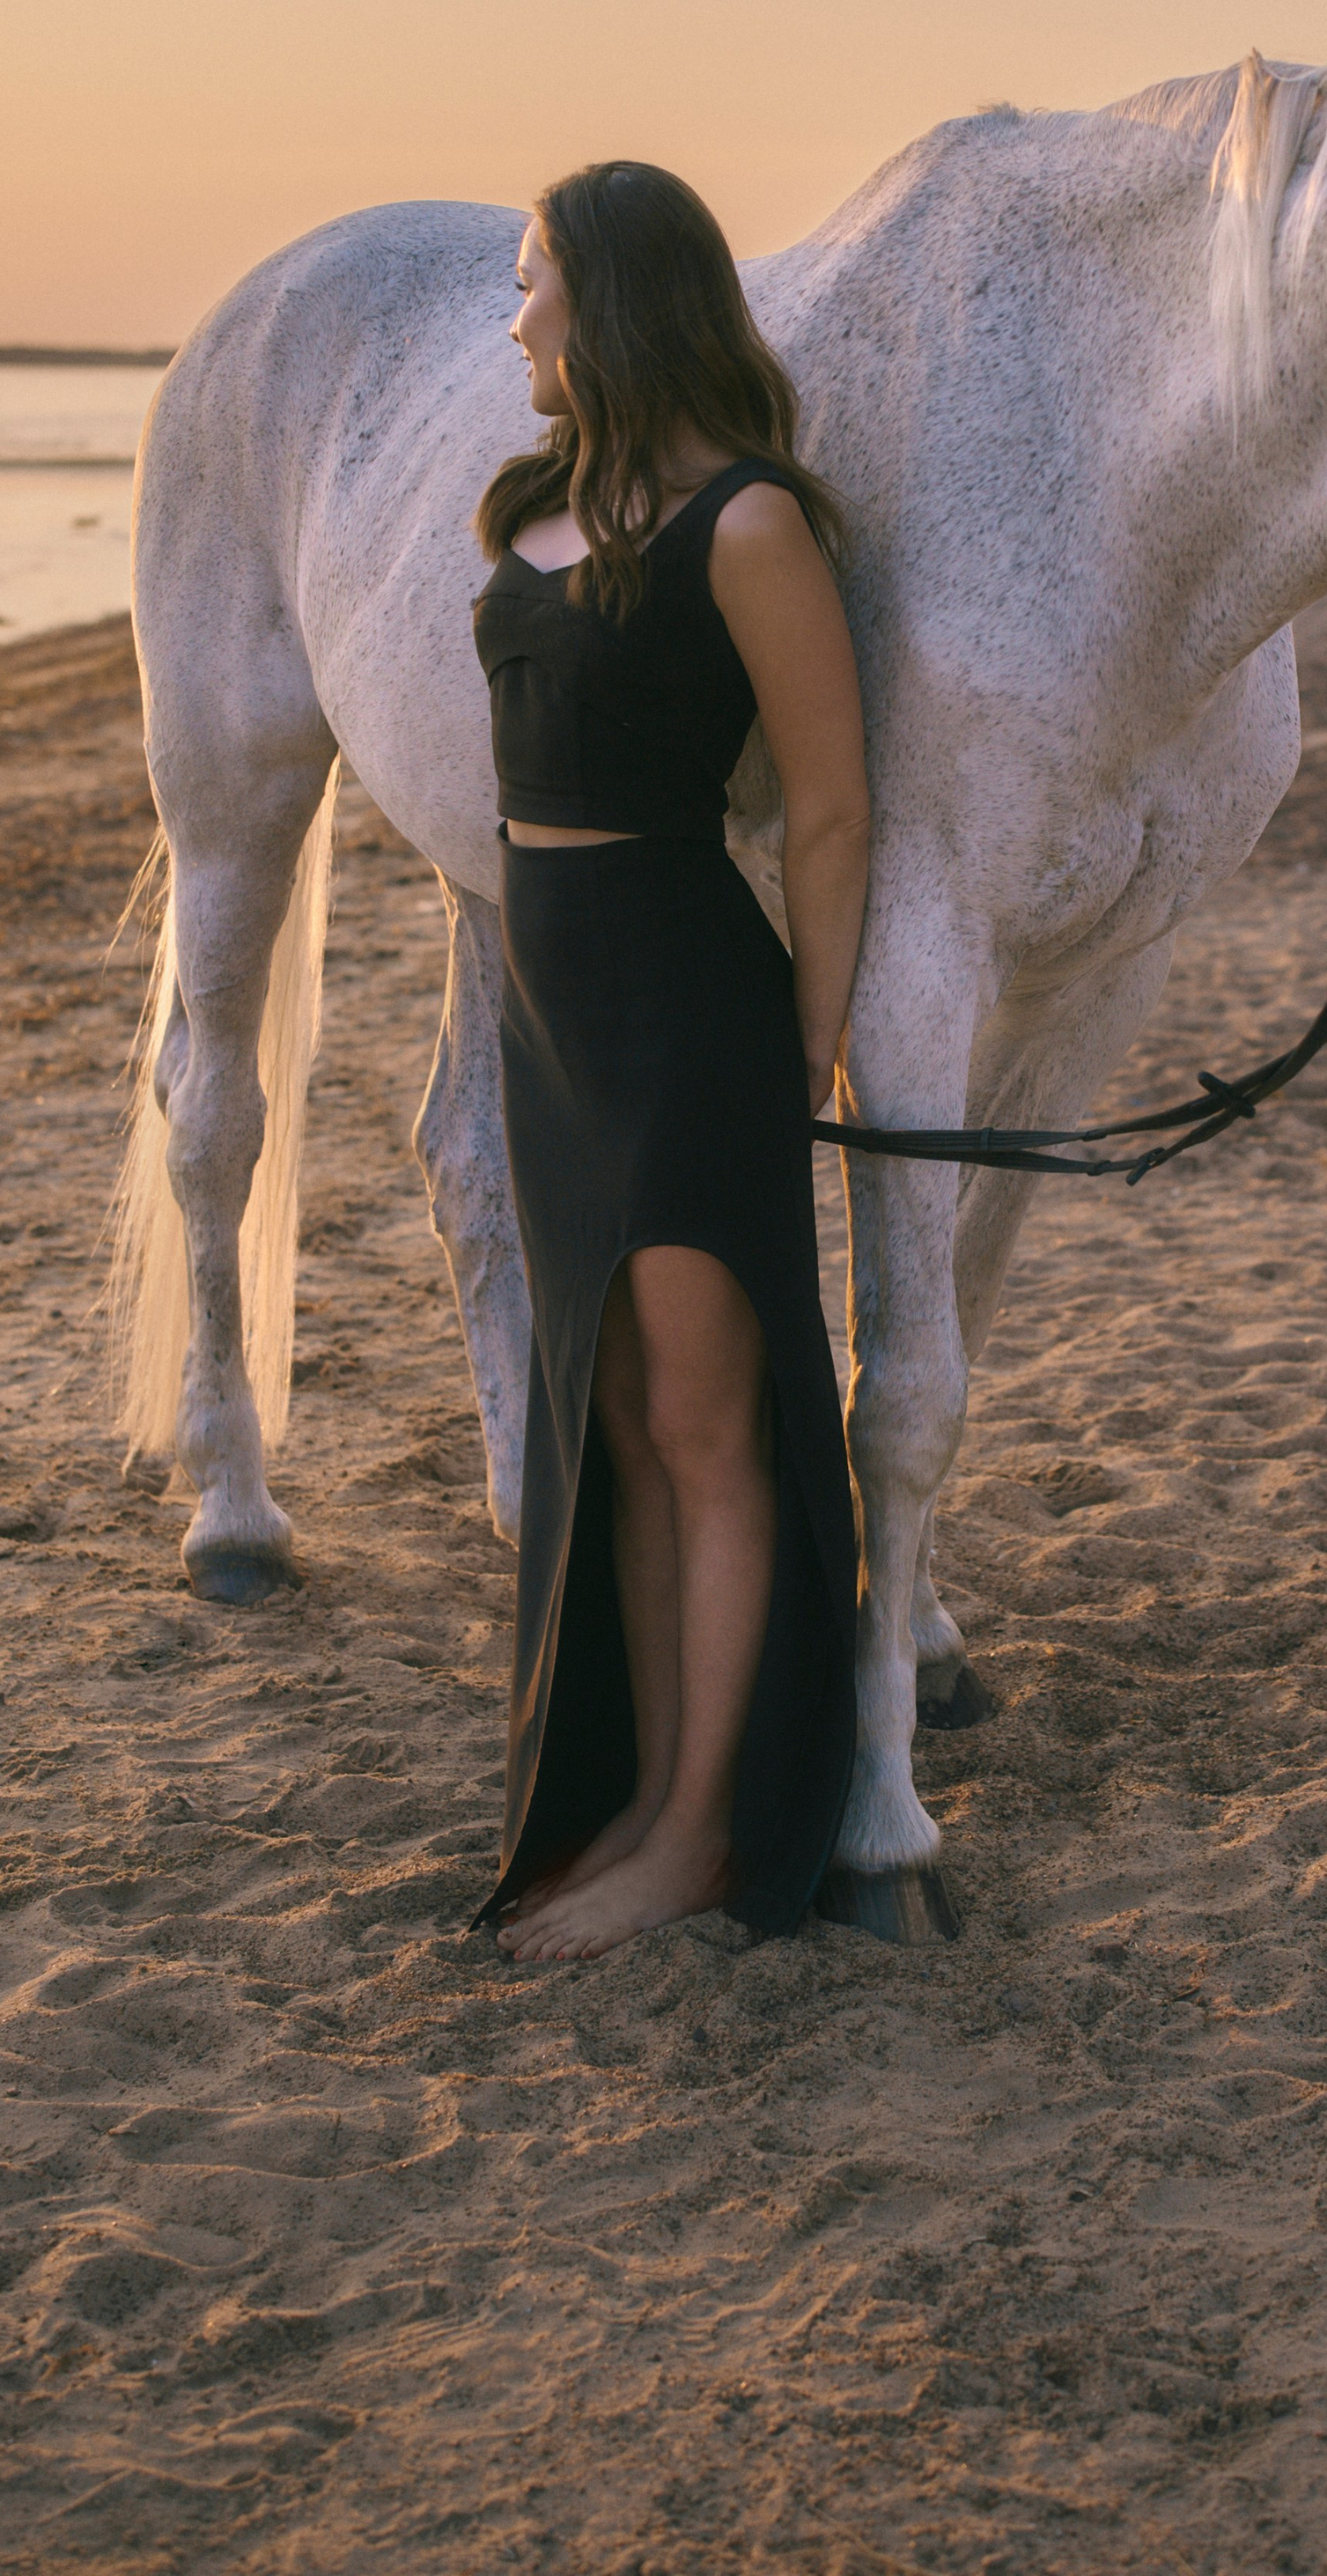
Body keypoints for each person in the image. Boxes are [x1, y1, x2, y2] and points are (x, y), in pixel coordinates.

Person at [469, 159, 867, 1962]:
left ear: (615, 297)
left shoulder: (749, 526)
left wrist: (814, 1039)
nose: (517, 313)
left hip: (688, 1015)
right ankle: (631, 1802)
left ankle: (706, 1836)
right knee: (617, 1424)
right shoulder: (533, 512)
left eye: (537, 278)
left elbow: (831, 806)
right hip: (549, 1021)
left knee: (709, 1428)